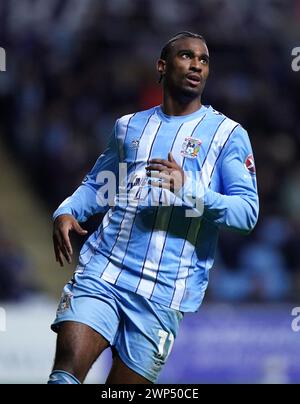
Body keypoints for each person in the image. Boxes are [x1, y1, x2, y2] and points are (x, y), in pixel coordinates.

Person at [48, 32, 259, 384]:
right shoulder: (129, 127)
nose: (196, 65)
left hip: (164, 292)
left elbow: (246, 213)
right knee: (64, 375)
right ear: (162, 66)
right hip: (105, 271)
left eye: (203, 60)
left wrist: (188, 189)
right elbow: (98, 184)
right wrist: (67, 211)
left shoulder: (227, 135)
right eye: (186, 56)